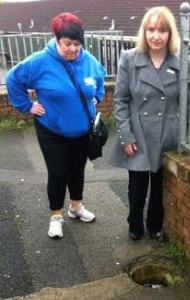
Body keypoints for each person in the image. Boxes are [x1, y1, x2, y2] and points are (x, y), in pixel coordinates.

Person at [6, 12, 106, 239]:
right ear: (57, 39)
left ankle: (76, 208)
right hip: (52, 130)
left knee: (78, 171)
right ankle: (56, 216)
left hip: (83, 130)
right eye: (67, 44)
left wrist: (97, 96)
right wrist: (27, 105)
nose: (73, 49)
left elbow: (100, 77)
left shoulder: (89, 60)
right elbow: (13, 79)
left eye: (77, 44)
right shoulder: (40, 61)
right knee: (59, 172)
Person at [109, 6, 180, 240]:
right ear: (144, 32)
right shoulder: (129, 59)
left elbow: (186, 104)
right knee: (137, 187)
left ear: (170, 34)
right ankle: (135, 224)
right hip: (138, 132)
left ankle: (155, 224)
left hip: (166, 133)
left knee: (160, 185)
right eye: (151, 29)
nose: (156, 36)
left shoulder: (179, 62)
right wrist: (126, 136)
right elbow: (120, 100)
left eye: (162, 30)